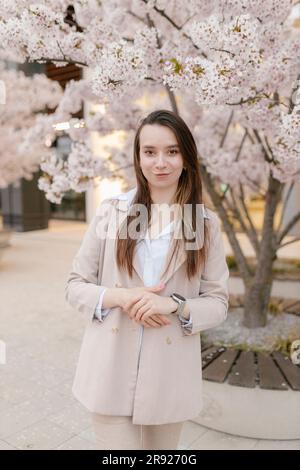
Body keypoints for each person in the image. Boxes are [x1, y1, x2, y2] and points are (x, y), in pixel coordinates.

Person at [65, 109, 229, 450]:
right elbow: (75, 284)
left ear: (186, 156)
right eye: (150, 152)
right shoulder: (112, 211)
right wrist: (122, 297)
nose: (161, 163)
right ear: (138, 157)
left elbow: (218, 302)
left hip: (170, 376)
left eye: (172, 151)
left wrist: (173, 304)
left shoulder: (204, 223)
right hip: (110, 368)